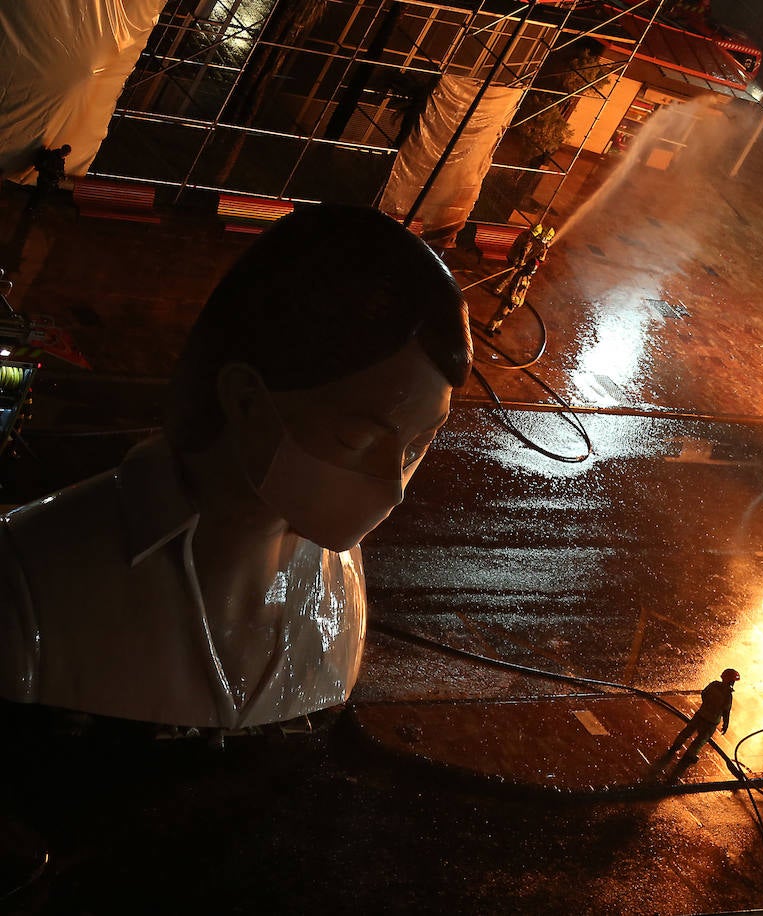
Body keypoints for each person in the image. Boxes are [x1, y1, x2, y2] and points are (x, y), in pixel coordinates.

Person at [0, 204, 472, 729]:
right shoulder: (28, 590)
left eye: (418, 445)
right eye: (357, 439)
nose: (393, 486)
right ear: (246, 399)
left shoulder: (343, 580)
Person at [667, 668, 740, 764]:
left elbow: (704, 693)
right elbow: (726, 711)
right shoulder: (728, 695)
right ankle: (690, 755)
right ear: (731, 682)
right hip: (711, 722)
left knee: (687, 731)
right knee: (701, 740)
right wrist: (725, 724)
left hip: (701, 715)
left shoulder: (713, 684)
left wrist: (706, 705)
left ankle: (675, 747)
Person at [26, 144, 71, 213]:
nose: (65, 156)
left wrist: (62, 174)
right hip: (44, 178)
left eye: (67, 155)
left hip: (48, 179)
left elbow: (60, 167)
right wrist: (56, 173)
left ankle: (32, 208)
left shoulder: (60, 157)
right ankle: (31, 209)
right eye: (65, 154)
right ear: (62, 150)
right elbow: (47, 167)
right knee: (39, 194)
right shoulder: (52, 156)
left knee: (40, 194)